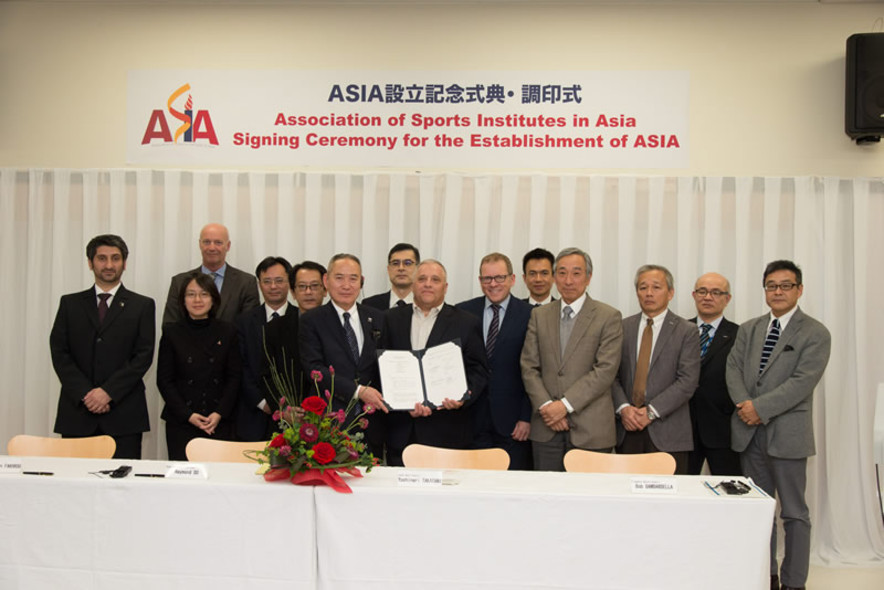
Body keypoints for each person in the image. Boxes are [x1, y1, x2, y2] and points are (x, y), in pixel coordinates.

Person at [726, 260, 830, 590]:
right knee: (759, 512)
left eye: (786, 285)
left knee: (794, 514)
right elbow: (733, 370)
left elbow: (802, 382)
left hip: (788, 436)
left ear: (799, 289)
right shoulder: (750, 328)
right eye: (771, 285)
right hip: (749, 433)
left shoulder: (815, 332)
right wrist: (746, 407)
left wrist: (760, 408)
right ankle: (765, 576)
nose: (778, 291)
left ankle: (794, 582)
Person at [50, 234, 156, 459]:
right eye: (102, 258)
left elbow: (143, 356)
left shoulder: (143, 305)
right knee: (73, 487)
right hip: (77, 412)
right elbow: (60, 353)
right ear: (90, 263)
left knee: (123, 489)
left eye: (115, 258)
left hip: (124, 414)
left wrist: (108, 392)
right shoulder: (70, 304)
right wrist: (86, 394)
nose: (109, 265)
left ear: (124, 263)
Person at [520, 247, 622, 471]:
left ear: (589, 277)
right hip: (546, 428)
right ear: (555, 277)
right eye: (562, 273)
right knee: (547, 499)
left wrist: (564, 406)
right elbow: (529, 366)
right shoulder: (539, 315)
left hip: (591, 430)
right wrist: (548, 407)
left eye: (576, 273)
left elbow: (605, 370)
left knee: (589, 502)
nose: (568, 280)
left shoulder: (609, 316)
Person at [381, 259, 489, 467]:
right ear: (413, 284)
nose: (428, 284)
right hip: (402, 432)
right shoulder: (391, 319)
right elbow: (383, 369)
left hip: (447, 433)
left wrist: (462, 398)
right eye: (422, 279)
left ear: (445, 287)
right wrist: (401, 405)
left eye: (435, 279)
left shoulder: (466, 322)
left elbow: (479, 371)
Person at [612, 264, 700, 475]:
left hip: (668, 431)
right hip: (628, 427)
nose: (649, 293)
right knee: (627, 499)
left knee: (667, 502)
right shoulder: (622, 327)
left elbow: (687, 381)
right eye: (643, 288)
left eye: (656, 287)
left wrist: (650, 412)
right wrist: (624, 408)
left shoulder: (686, 331)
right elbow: (611, 375)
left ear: (670, 293)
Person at [299, 254, 387, 457]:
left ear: (361, 282)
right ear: (326, 281)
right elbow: (314, 369)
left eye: (353, 278)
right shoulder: (311, 320)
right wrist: (358, 391)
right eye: (339, 278)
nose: (346, 285)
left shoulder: (378, 318)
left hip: (372, 422)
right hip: (329, 423)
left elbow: (386, 364)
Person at [457, 253, 533, 470]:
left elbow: (534, 370)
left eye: (499, 278)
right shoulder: (463, 311)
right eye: (486, 279)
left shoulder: (531, 315)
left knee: (511, 488)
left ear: (513, 279)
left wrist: (526, 417)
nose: (493, 284)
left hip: (513, 423)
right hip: (471, 418)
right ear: (480, 281)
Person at [157, 272, 242, 461]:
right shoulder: (172, 332)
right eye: (191, 294)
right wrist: (187, 415)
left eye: (204, 294)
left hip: (219, 421)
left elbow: (234, 377)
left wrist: (219, 413)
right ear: (183, 300)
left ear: (213, 299)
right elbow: (164, 380)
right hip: (182, 421)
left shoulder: (228, 331)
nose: (197, 300)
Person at [235, 256, 298, 442]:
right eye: (267, 281)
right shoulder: (243, 322)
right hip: (254, 414)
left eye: (279, 281)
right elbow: (241, 367)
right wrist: (266, 404)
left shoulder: (302, 319)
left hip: (295, 417)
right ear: (259, 284)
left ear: (289, 283)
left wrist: (289, 408)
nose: (273, 287)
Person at [687, 272, 742, 476]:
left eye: (716, 292)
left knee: (729, 494)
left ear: (727, 299)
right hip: (683, 427)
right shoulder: (679, 330)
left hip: (723, 428)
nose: (707, 297)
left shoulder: (740, 334)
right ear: (694, 295)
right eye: (702, 291)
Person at [162, 223, 259, 325]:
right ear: (200, 244)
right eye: (207, 242)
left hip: (231, 341)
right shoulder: (179, 282)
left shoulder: (246, 283)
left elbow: (249, 327)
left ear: (228, 246)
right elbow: (170, 325)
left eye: (218, 242)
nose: (212, 248)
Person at [362, 243, 420, 310]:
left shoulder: (427, 305)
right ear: (388, 269)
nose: (401, 268)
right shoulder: (369, 305)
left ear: (418, 269)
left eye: (407, 263)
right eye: (395, 263)